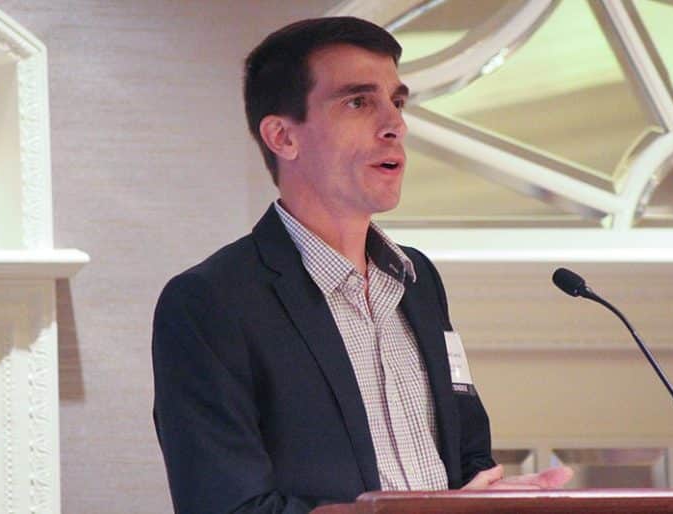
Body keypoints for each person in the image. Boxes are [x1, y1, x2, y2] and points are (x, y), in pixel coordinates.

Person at [152, 16, 571, 514]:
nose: (395, 125)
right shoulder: (209, 303)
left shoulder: (417, 280)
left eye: (396, 101)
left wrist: (488, 497)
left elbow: (468, 456)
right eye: (359, 102)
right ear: (283, 137)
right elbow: (226, 507)